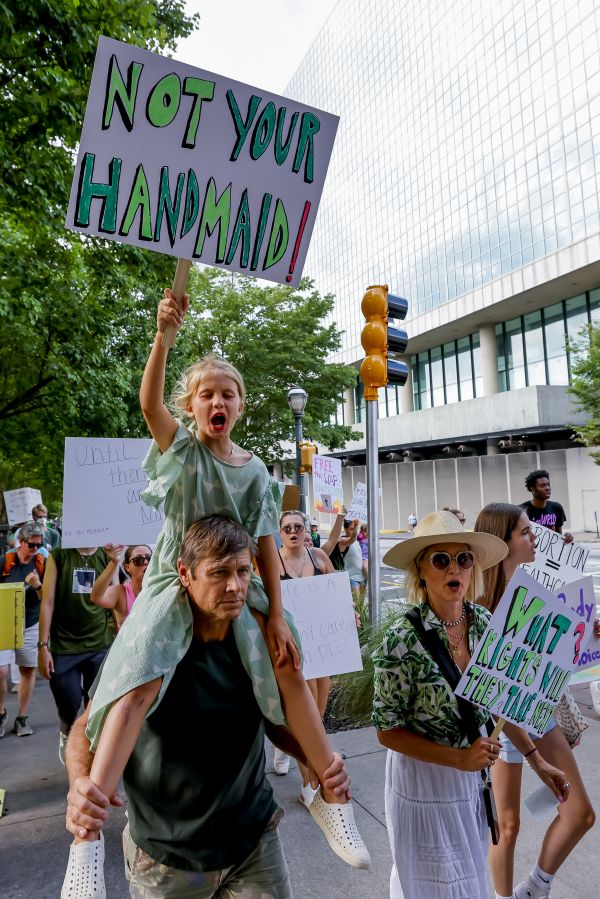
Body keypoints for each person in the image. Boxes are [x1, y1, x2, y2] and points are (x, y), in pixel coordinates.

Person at [75, 288, 368, 887]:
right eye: (206, 393)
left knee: (290, 665)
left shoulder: (256, 470)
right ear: (192, 406)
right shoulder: (182, 452)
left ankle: (328, 792)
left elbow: (263, 544)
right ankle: (85, 838)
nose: (217, 400)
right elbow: (147, 402)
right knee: (134, 686)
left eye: (227, 394)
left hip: (236, 583)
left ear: (239, 407)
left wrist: (277, 615)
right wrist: (163, 335)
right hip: (172, 583)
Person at [61, 516, 353, 899]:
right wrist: (81, 785)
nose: (234, 585)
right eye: (218, 572)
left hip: (253, 843)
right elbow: (86, 728)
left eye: (243, 571)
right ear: (185, 573)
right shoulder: (148, 646)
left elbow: (273, 722)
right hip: (165, 856)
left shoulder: (255, 642)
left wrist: (320, 765)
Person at [372, 510, 571, 899]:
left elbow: (499, 698)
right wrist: (458, 759)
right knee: (428, 885)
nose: (455, 569)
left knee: (467, 877)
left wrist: (537, 760)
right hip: (422, 779)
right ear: (421, 570)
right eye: (441, 559)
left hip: (468, 783)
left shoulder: (482, 621)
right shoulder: (401, 639)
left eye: (463, 558)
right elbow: (386, 729)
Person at [475, 502, 596, 899]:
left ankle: (535, 888)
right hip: (502, 724)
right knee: (506, 826)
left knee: (579, 813)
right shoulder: (478, 609)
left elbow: (562, 654)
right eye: (526, 532)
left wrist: (590, 634)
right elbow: (489, 694)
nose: (535, 538)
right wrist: (532, 756)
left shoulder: (537, 589)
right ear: (502, 543)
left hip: (537, 714)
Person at [273, 510, 337, 808]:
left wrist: (349, 614)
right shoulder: (271, 562)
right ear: (280, 532)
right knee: (307, 716)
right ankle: (310, 783)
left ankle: (295, 754)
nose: (294, 531)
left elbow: (337, 593)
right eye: (287, 528)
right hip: (293, 649)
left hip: (321, 644)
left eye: (298, 526)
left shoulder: (319, 558)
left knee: (319, 715)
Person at [37, 545, 114, 764]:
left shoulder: (105, 554)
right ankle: (66, 731)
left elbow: (115, 598)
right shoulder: (59, 555)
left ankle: (90, 754)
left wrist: (114, 562)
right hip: (64, 646)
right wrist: (43, 646)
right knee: (69, 702)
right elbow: (48, 602)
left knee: (96, 706)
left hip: (99, 644)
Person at [0, 522, 46, 738]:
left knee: (27, 669)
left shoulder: (42, 563)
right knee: (1, 671)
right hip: (4, 621)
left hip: (30, 622)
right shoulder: (5, 561)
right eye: (32, 544)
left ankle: (22, 717)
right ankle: (1, 713)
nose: (36, 548)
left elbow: (47, 599)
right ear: (21, 542)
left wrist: (37, 585)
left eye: (39, 544)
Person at [89, 544, 151, 627]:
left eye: (150, 558)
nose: (146, 562)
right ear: (128, 567)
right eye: (138, 560)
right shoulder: (121, 592)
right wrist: (114, 562)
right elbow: (96, 597)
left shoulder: (162, 589)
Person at [521, 470, 573, 543]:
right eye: (542, 485)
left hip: (551, 552)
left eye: (548, 484)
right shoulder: (522, 511)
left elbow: (559, 535)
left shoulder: (557, 508)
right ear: (532, 489)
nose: (548, 488)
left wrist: (567, 538)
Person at [342, 519, 365, 599]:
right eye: (351, 529)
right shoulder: (343, 541)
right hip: (351, 577)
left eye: (354, 529)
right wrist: (356, 526)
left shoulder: (357, 542)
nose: (353, 531)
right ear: (345, 529)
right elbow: (353, 538)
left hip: (361, 577)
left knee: (361, 606)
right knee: (356, 604)